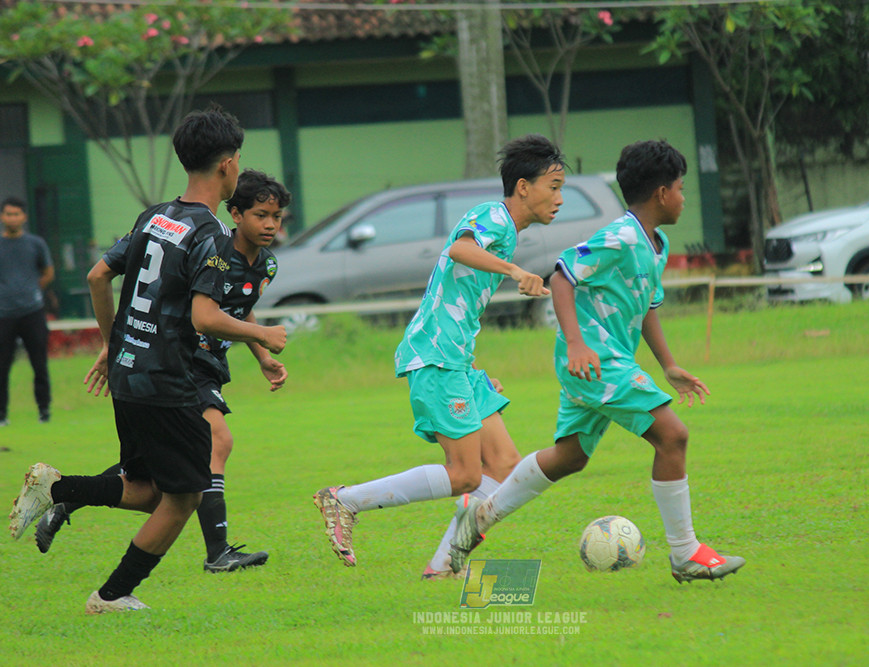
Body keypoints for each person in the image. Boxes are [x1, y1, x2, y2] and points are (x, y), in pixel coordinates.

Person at [7, 105, 287, 615]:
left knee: (146, 488)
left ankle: (60, 490)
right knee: (185, 496)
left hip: (129, 373)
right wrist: (261, 334)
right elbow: (204, 317)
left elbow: (98, 276)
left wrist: (116, 343)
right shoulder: (209, 236)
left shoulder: (156, 215)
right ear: (227, 165)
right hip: (169, 380)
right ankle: (110, 595)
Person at [447, 139, 746, 584]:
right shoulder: (622, 235)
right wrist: (576, 343)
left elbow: (647, 305)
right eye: (681, 188)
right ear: (662, 193)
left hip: (602, 360)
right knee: (673, 435)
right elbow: (563, 275)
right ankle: (685, 553)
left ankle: (480, 517)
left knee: (570, 457)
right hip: (592, 358)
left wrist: (668, 365)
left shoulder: (655, 243)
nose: (684, 198)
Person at [313, 134, 565, 577]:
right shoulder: (495, 216)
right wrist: (515, 270)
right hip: (436, 356)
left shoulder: (507, 229)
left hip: (457, 361)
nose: (560, 198)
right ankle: (345, 500)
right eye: (555, 185)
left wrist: (474, 372)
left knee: (505, 467)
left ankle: (444, 564)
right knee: (466, 475)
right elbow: (459, 248)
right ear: (523, 187)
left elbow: (460, 296)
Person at [0, 196, 54, 426]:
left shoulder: (35, 243)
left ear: (24, 217)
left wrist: (32, 291)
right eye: (8, 214)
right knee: (2, 365)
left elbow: (48, 271)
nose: (12, 218)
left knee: (39, 363)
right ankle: (2, 415)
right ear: (2, 216)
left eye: (16, 214)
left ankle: (44, 411)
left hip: (32, 311)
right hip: (3, 313)